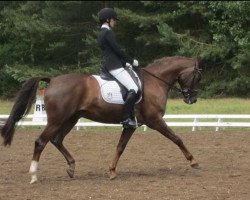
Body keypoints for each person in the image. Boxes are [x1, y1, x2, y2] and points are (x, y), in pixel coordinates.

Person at [97, 7, 139, 129]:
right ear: (108, 19)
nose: (115, 22)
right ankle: (126, 118)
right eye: (114, 20)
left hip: (111, 63)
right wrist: (131, 61)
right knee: (133, 88)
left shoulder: (101, 33)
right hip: (114, 66)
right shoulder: (108, 32)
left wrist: (124, 63)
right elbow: (117, 50)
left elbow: (111, 52)